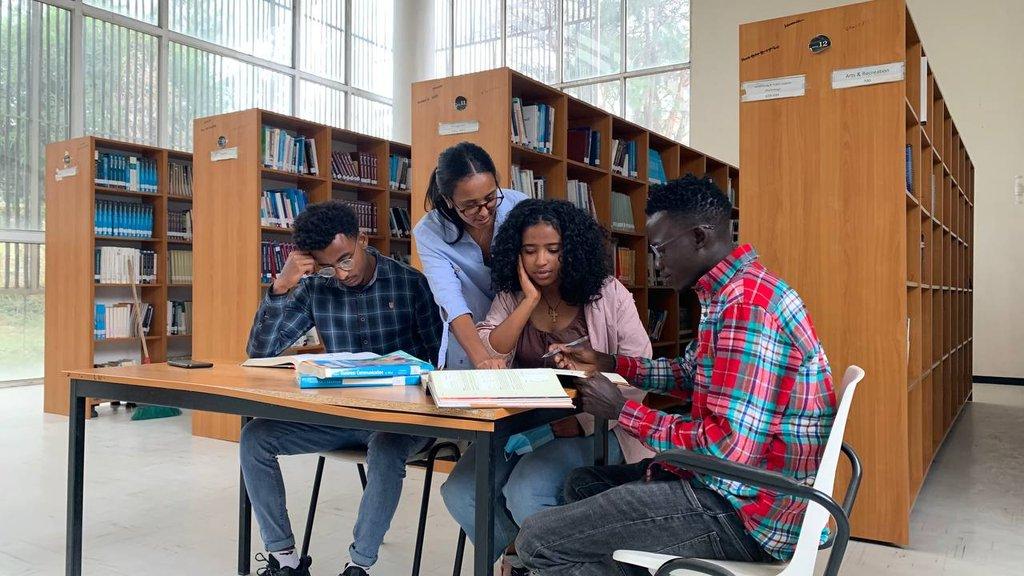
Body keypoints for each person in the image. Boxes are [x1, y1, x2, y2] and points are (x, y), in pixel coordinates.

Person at [515, 175, 837, 575]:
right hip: (740, 489)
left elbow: (725, 448)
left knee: (536, 538)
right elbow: (689, 372)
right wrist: (610, 361)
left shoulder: (747, 307)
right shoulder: (729, 293)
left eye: (660, 249)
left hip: (747, 512)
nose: (657, 263)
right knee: (583, 484)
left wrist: (622, 408)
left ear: (700, 237)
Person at [440, 199, 653, 575]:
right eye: (530, 250)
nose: (541, 261)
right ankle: (523, 559)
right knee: (460, 490)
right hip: (522, 424)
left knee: (527, 491)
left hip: (597, 426)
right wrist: (529, 301)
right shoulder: (511, 296)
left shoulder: (608, 294)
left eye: (553, 250)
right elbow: (489, 348)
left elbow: (639, 374)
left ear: (571, 250)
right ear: (515, 253)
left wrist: (577, 424)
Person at [240, 200, 443, 576]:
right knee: (255, 437)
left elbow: (439, 363)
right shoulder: (316, 287)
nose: (341, 273)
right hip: (342, 416)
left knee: (384, 445)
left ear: (362, 239)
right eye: (328, 265)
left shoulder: (410, 283)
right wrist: (282, 286)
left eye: (346, 259)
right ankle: (285, 560)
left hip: (403, 421)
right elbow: (259, 351)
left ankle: (359, 566)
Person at [413, 141, 528, 370]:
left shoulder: (520, 207)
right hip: (469, 339)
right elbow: (451, 302)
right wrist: (482, 359)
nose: (484, 212)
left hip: (524, 328)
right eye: (470, 205)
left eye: (490, 197)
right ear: (449, 200)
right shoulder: (430, 232)